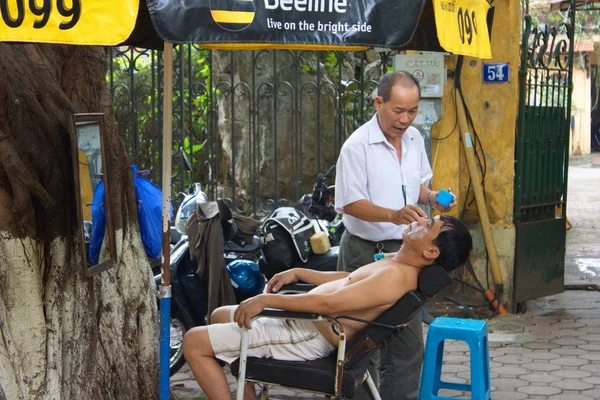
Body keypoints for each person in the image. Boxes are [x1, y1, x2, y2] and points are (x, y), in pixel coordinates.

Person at [182, 215, 472, 400]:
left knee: (194, 341)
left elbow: (328, 303)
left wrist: (266, 300)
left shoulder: (395, 276)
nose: (420, 220)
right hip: (308, 322)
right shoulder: (398, 263)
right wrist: (301, 272)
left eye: (428, 225)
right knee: (222, 315)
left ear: (431, 251)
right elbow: (348, 279)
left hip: (309, 332)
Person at [334, 70, 458, 399]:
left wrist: (431, 198)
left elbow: (415, 185)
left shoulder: (415, 139)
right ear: (378, 102)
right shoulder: (357, 146)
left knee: (406, 345)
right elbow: (350, 203)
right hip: (365, 250)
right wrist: (392, 214)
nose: (405, 119)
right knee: (361, 345)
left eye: (412, 111)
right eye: (398, 111)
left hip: (407, 257)